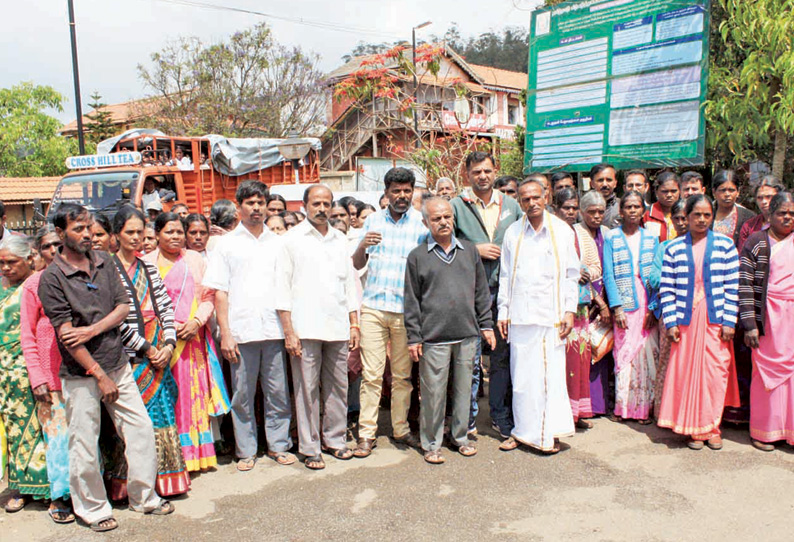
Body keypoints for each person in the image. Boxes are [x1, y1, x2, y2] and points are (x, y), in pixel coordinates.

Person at [38, 203, 172, 532]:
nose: (86, 234)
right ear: (60, 233)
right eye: (78, 229)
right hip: (81, 373)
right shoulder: (52, 278)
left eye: (88, 228)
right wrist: (98, 374)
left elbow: (123, 306)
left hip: (117, 362)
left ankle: (145, 496)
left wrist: (94, 329)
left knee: (139, 429)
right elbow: (69, 337)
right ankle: (93, 508)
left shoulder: (104, 261)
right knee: (84, 441)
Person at [203, 181, 295, 471]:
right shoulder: (226, 244)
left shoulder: (279, 242)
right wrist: (226, 334)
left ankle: (279, 445)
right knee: (242, 395)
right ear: (238, 206)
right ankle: (246, 451)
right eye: (250, 203)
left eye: (260, 202)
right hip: (240, 332)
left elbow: (286, 287)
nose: (256, 208)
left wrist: (289, 330)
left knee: (278, 392)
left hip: (274, 330)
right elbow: (220, 292)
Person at [404, 197, 495, 464]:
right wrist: (414, 337)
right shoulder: (417, 256)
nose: (443, 222)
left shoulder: (468, 251)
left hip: (467, 334)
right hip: (433, 337)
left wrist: (486, 324)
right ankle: (431, 443)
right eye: (436, 218)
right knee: (433, 394)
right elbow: (411, 300)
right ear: (426, 222)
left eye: (447, 217)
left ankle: (460, 437)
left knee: (464, 390)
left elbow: (481, 292)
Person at [276, 185, 359, 470]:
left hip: (337, 326)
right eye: (316, 203)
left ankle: (335, 440)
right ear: (305, 206)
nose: (321, 208)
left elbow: (349, 283)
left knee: (339, 386)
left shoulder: (339, 239)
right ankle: (310, 447)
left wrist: (354, 323)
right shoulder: (291, 240)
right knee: (306, 390)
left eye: (326, 203)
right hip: (305, 328)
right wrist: (289, 331)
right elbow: (281, 289)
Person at [110, 206, 189, 498]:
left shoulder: (148, 266)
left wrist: (168, 345)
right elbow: (114, 320)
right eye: (129, 232)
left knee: (162, 413)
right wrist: (146, 348)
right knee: (133, 422)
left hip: (159, 350)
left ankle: (167, 481)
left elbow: (164, 307)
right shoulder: (108, 270)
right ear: (116, 234)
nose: (136, 238)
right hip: (130, 357)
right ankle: (130, 484)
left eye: (140, 232)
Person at [497, 179, 579, 454]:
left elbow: (571, 273)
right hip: (521, 317)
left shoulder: (562, 231)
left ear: (546, 197)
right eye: (525, 199)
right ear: (519, 202)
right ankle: (522, 433)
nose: (531, 203)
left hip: (551, 317)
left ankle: (548, 434)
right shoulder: (512, 233)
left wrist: (570, 309)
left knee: (550, 379)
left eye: (536, 197)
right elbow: (506, 276)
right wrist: (503, 311)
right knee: (522, 381)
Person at [351, 167, 428, 458]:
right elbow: (357, 264)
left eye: (407, 190)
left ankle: (401, 429)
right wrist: (362, 244)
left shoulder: (421, 225)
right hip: (373, 308)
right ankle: (366, 435)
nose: (402, 196)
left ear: (412, 192)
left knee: (402, 376)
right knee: (371, 376)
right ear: (386, 193)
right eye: (396, 191)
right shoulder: (372, 220)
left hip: (405, 311)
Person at [144, 213, 229, 471]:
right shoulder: (145, 262)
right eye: (169, 232)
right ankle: (170, 458)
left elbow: (209, 296)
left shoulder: (195, 260)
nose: (176, 237)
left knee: (192, 398)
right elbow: (143, 303)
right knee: (166, 398)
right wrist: (165, 330)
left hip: (192, 339)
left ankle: (197, 457)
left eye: (179, 232)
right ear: (157, 234)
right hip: (160, 341)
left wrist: (196, 322)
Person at [658, 194, 740, 450]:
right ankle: (693, 428)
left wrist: (729, 321)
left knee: (715, 374)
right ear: (686, 217)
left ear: (712, 216)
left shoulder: (726, 246)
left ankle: (712, 427)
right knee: (686, 374)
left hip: (715, 319)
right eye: (697, 215)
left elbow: (732, 287)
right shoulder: (672, 248)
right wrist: (670, 322)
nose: (702, 219)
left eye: (707, 215)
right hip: (686, 320)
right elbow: (667, 288)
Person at [451, 151, 522, 439]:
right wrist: (473, 250)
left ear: (495, 172)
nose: (482, 176)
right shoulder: (457, 205)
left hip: (505, 291)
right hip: (469, 292)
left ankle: (500, 416)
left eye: (487, 171)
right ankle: (465, 421)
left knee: (502, 356)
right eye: (476, 171)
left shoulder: (512, 206)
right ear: (467, 174)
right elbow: (442, 241)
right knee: (469, 357)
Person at [20, 229, 74, 523]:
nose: (54, 250)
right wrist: (36, 376)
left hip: (81, 371)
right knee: (57, 438)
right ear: (39, 252)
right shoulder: (33, 285)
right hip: (48, 375)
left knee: (84, 434)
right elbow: (26, 335)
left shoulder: (80, 277)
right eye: (46, 246)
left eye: (58, 244)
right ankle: (60, 496)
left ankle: (86, 492)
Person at [739, 192, 794, 451]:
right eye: (782, 212)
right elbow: (745, 285)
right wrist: (749, 324)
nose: (787, 217)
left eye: (792, 213)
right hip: (767, 320)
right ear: (769, 215)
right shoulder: (757, 242)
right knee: (764, 376)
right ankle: (764, 432)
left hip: (792, 321)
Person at [0, 236, 51, 514]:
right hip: (5, 373)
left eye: (12, 262)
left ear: (29, 259)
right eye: (2, 263)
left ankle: (44, 487)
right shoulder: (1, 289)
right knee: (13, 430)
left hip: (32, 367)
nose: (6, 268)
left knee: (40, 427)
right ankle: (18, 486)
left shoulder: (38, 285)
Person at [603, 191, 659, 424]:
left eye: (637, 206)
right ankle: (624, 408)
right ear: (621, 211)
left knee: (646, 354)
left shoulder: (651, 238)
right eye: (629, 207)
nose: (633, 211)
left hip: (646, 300)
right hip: (624, 301)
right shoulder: (611, 238)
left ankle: (643, 409)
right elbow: (608, 274)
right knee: (624, 353)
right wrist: (616, 307)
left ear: (643, 210)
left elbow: (657, 275)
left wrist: (653, 308)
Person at [556, 189, 606, 429]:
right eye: (565, 208)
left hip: (580, 308)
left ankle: (578, 411)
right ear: (556, 209)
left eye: (573, 208)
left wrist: (586, 272)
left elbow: (597, 266)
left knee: (579, 359)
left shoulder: (582, 233)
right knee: (561, 361)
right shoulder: (551, 232)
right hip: (556, 307)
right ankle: (562, 413)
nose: (570, 212)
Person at [647, 199, 688, 418]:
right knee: (666, 361)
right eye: (677, 219)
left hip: (695, 314)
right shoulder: (665, 247)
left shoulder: (699, 247)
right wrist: (678, 281)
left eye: (685, 218)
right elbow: (654, 278)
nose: (682, 223)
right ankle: (663, 410)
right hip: (669, 312)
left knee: (688, 364)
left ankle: (686, 412)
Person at [577, 190, 613, 416]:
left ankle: (601, 405)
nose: (596, 216)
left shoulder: (608, 233)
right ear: (582, 212)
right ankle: (584, 407)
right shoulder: (575, 233)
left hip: (605, 296)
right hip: (584, 300)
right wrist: (598, 301)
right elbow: (579, 271)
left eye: (600, 211)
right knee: (584, 351)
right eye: (591, 212)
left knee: (603, 350)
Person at [737, 175, 785, 250]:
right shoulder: (749, 226)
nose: (764, 202)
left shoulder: (790, 223)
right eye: (760, 198)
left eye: (768, 197)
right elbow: (743, 256)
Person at [711, 170, 755, 246]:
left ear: (738, 192)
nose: (727, 194)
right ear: (714, 192)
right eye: (723, 190)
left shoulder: (748, 217)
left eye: (731, 190)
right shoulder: (705, 214)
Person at [643, 171, 681, 241]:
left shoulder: (687, 213)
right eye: (664, 191)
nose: (669, 195)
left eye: (673, 191)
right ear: (656, 192)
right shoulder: (647, 215)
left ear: (680, 191)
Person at [589, 164, 620, 228]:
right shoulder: (582, 209)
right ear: (591, 184)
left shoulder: (623, 207)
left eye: (609, 180)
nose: (605, 184)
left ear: (615, 183)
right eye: (600, 180)